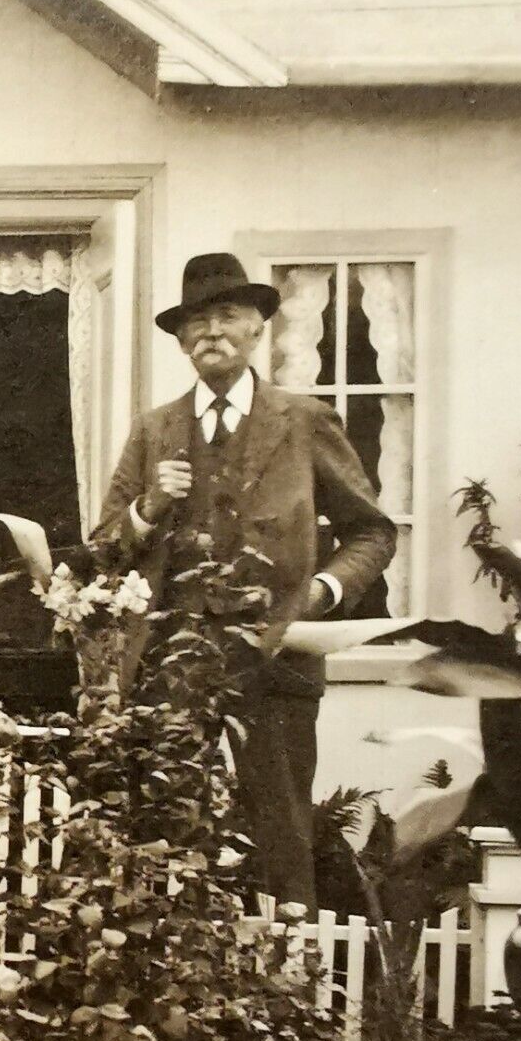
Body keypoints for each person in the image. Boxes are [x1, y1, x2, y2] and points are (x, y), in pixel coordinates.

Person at [92, 253, 396, 910]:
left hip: (276, 660)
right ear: (179, 341)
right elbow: (103, 551)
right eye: (195, 322)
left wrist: (321, 595)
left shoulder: (304, 421)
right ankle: (173, 983)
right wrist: (147, 508)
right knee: (169, 842)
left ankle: (284, 986)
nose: (212, 332)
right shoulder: (155, 431)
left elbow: (373, 533)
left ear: (259, 326)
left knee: (283, 838)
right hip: (173, 664)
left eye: (228, 315)